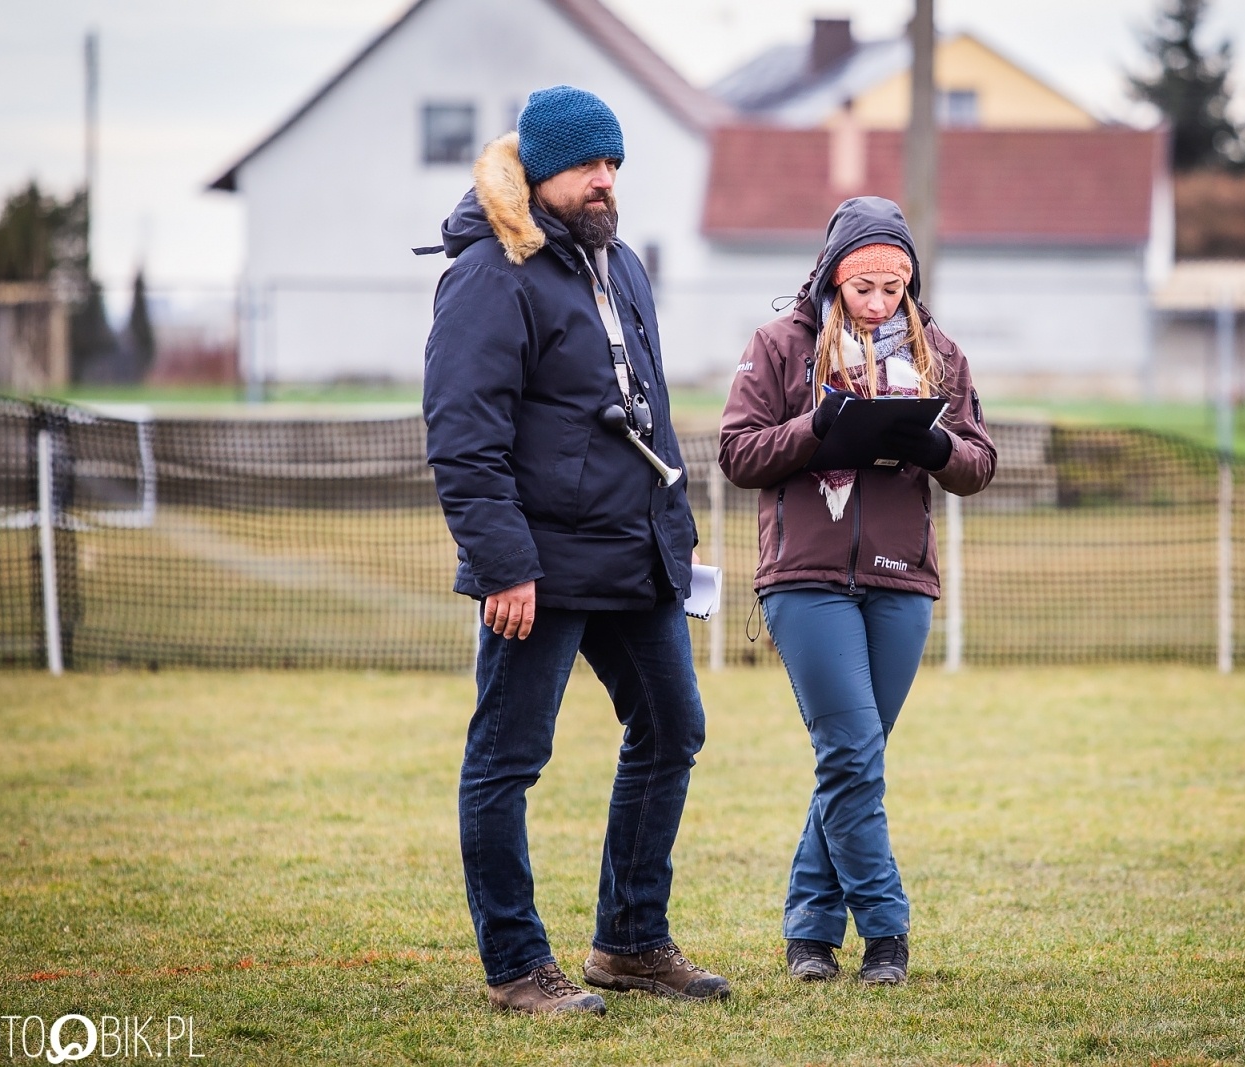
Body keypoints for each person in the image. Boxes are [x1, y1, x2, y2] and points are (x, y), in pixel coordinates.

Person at [422, 85, 728, 1015]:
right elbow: (462, 435)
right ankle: (517, 965)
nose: (604, 182)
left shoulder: (619, 262)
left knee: (674, 727)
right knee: (508, 760)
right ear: (539, 170)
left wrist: (673, 535)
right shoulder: (490, 273)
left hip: (635, 559)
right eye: (587, 166)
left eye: (614, 165)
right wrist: (505, 562)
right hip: (539, 570)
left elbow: (650, 415)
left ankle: (630, 942)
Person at [717, 197, 997, 985]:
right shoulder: (779, 346)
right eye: (863, 286)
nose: (878, 303)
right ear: (834, 277)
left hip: (902, 581)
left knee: (854, 759)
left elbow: (978, 461)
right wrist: (820, 428)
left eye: (893, 288)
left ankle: (809, 931)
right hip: (804, 582)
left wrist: (936, 441)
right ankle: (886, 931)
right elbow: (737, 452)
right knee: (851, 753)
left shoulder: (938, 351)